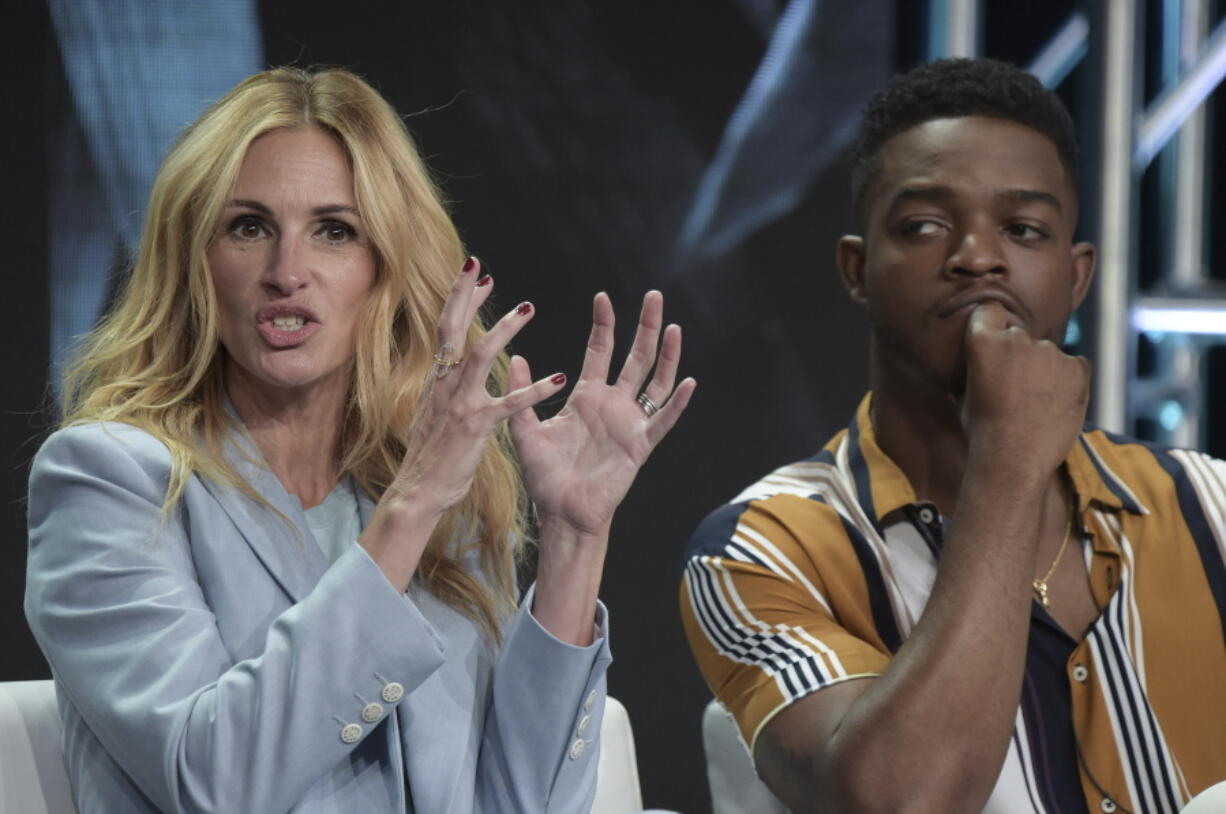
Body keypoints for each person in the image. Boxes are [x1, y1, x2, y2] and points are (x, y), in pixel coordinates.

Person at [25, 66, 695, 813]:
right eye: (248, 227)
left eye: (334, 232)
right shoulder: (109, 480)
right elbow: (216, 781)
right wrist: (413, 503)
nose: (288, 272)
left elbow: (522, 805)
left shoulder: (427, 498)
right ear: (194, 263)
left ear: (384, 269)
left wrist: (574, 537)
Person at [681, 58, 1226, 814]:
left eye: (1023, 229)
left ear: (1075, 278)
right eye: (925, 226)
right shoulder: (762, 546)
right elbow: (900, 804)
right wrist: (1007, 461)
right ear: (857, 268)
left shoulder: (1211, 504)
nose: (977, 257)